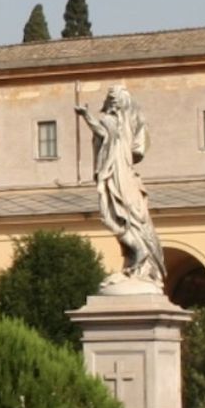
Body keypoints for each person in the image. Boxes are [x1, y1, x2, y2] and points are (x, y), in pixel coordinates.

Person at [76, 85, 166, 286]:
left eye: (115, 98)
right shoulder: (124, 122)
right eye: (111, 98)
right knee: (120, 217)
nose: (112, 101)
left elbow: (103, 131)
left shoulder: (117, 121)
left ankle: (140, 253)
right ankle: (136, 257)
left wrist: (86, 116)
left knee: (114, 216)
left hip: (118, 174)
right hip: (117, 173)